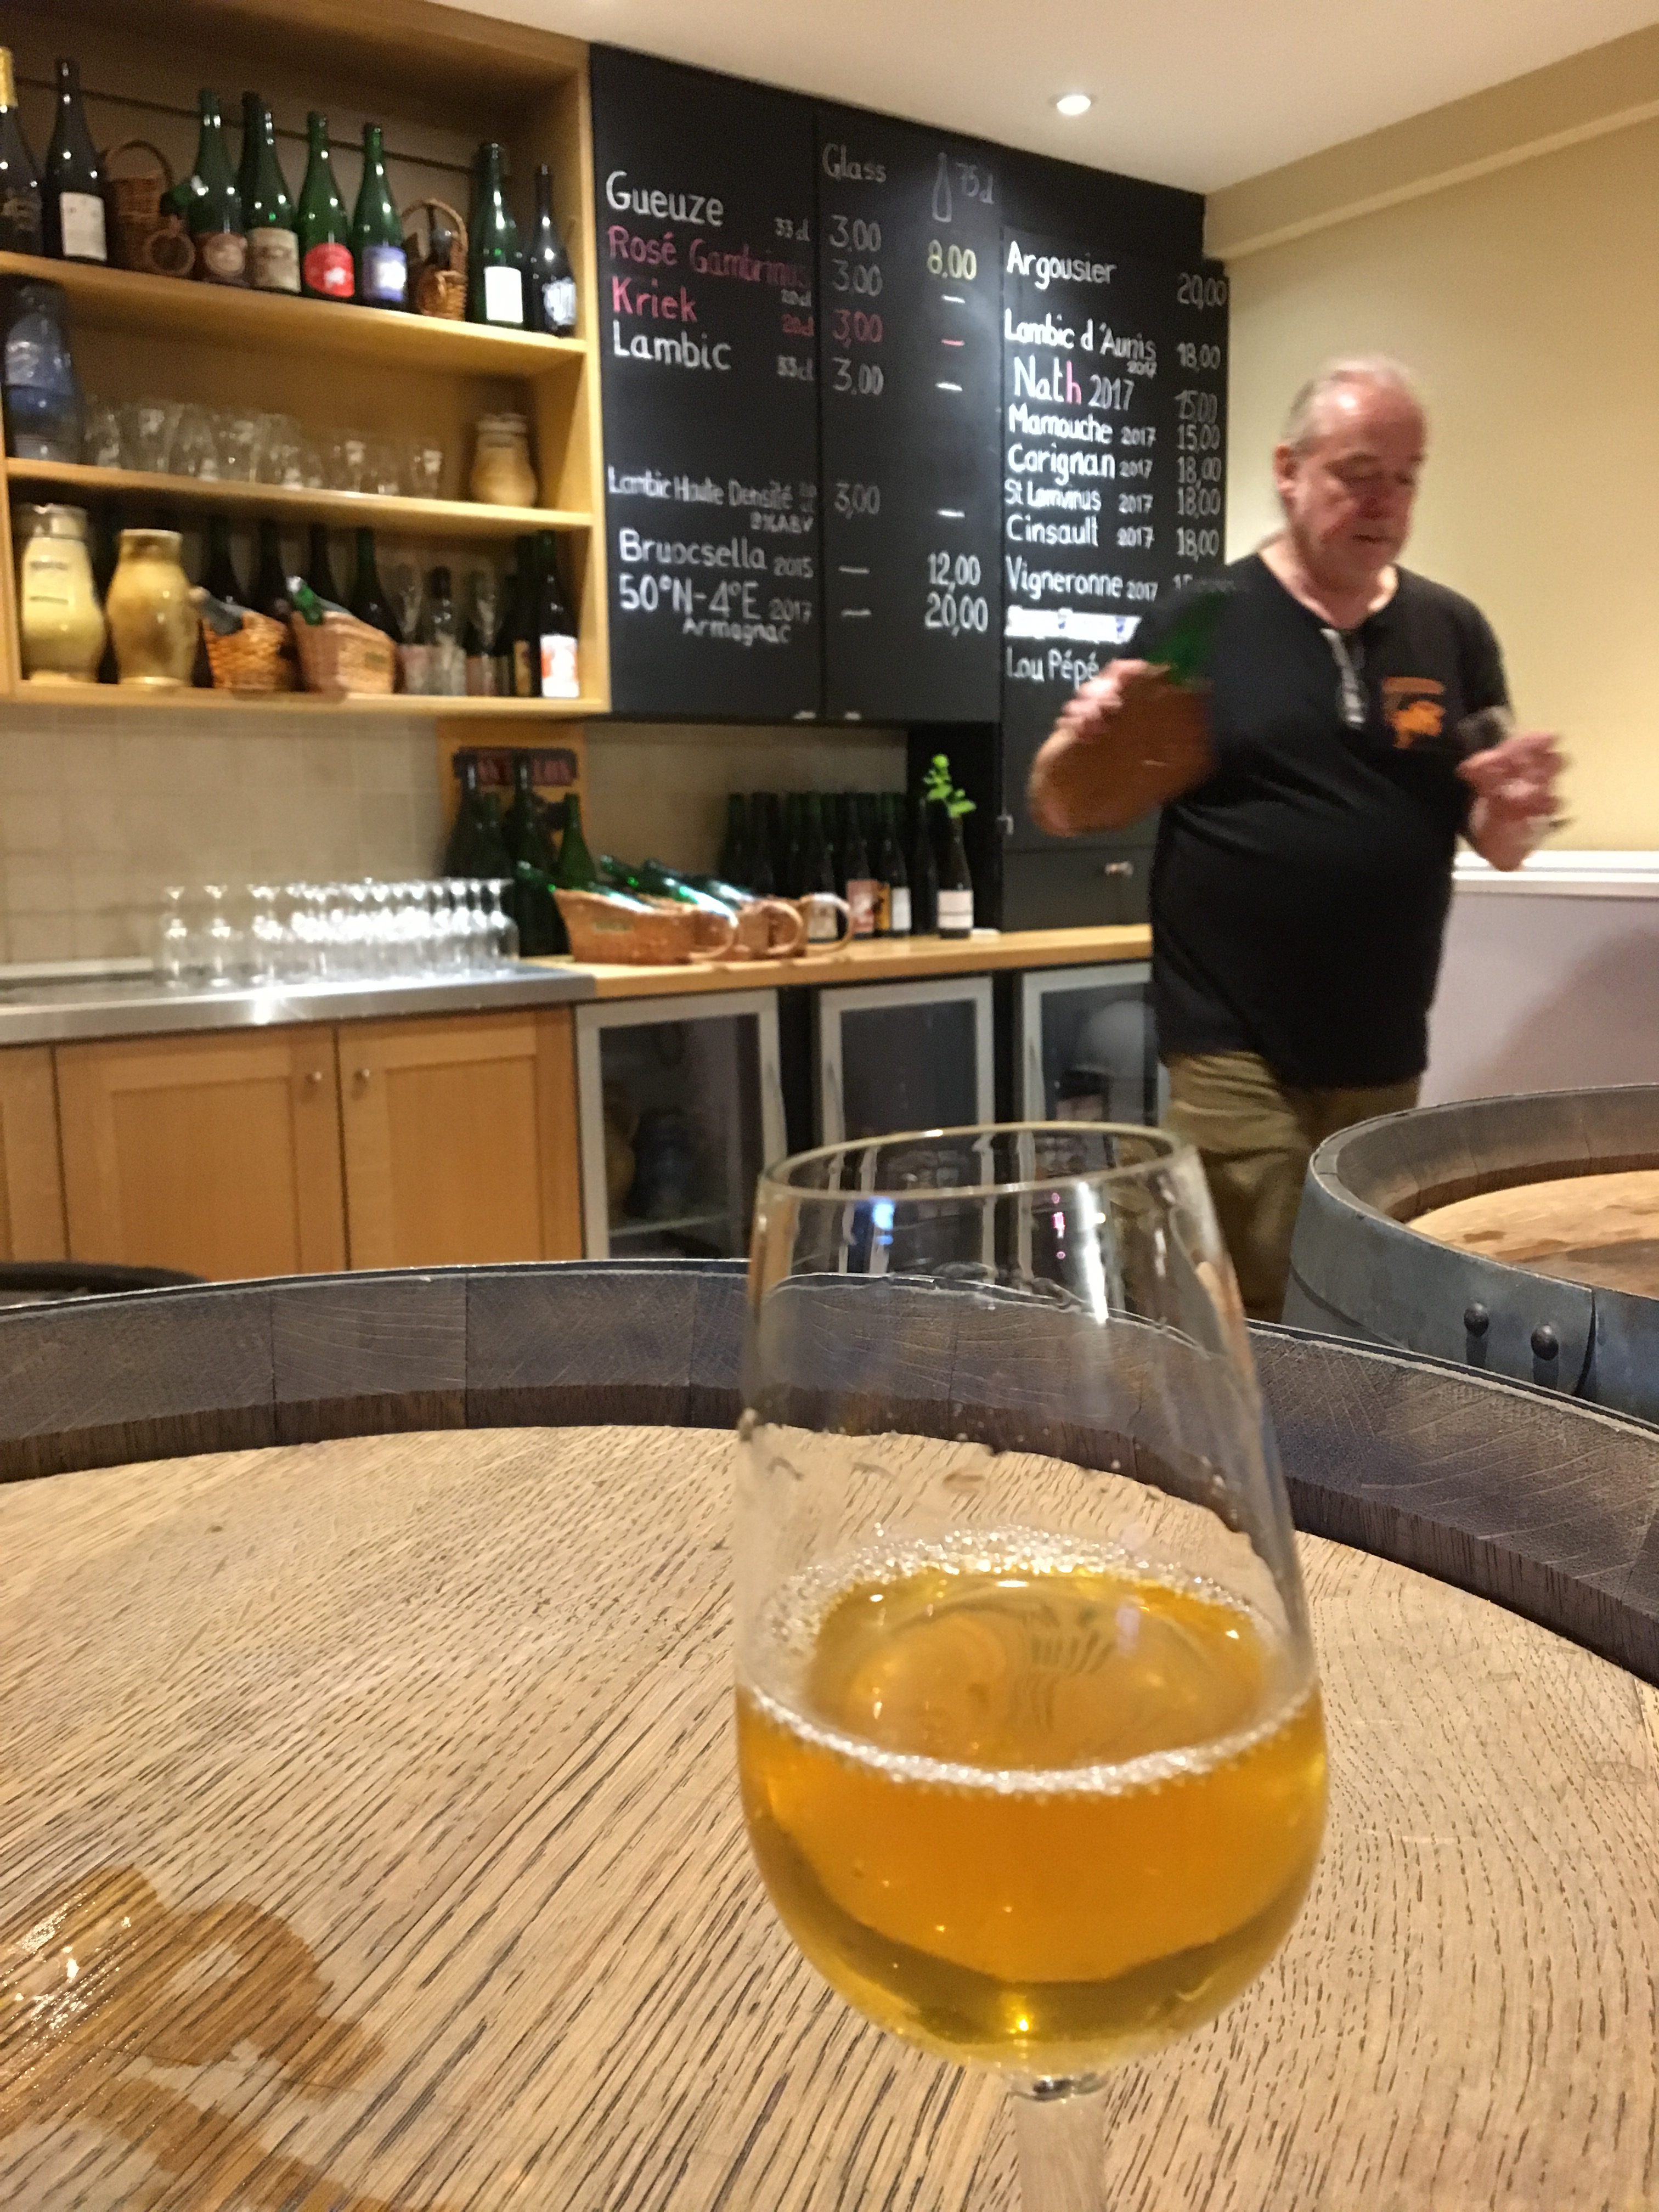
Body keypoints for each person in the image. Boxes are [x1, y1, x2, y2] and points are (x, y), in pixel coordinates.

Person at [1028, 356, 1562, 1321]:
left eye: (1405, 478)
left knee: (1359, 1290)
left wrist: (1516, 811)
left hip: (1384, 1043)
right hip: (1232, 1038)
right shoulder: (1202, 620)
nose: (1384, 501)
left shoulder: (1453, 631)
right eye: (1358, 473)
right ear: (1289, 469)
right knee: (1261, 1290)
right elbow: (1068, 805)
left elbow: (1497, 835)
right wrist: (1084, 745)